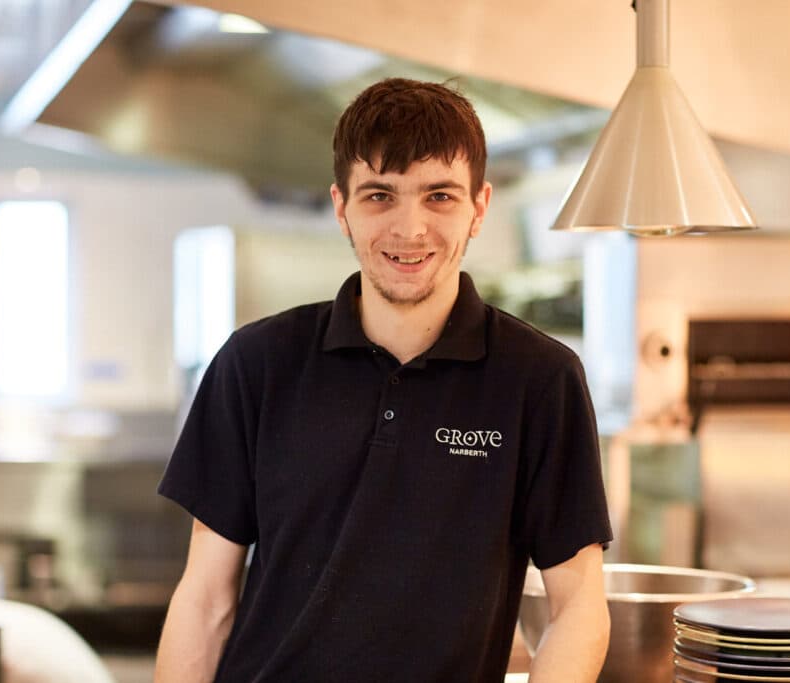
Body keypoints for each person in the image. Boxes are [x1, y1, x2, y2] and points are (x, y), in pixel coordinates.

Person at [154, 78, 612, 682]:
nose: (409, 228)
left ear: (479, 206)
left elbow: (578, 606)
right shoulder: (257, 364)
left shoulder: (539, 380)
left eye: (439, 196)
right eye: (380, 196)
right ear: (342, 207)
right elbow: (206, 598)